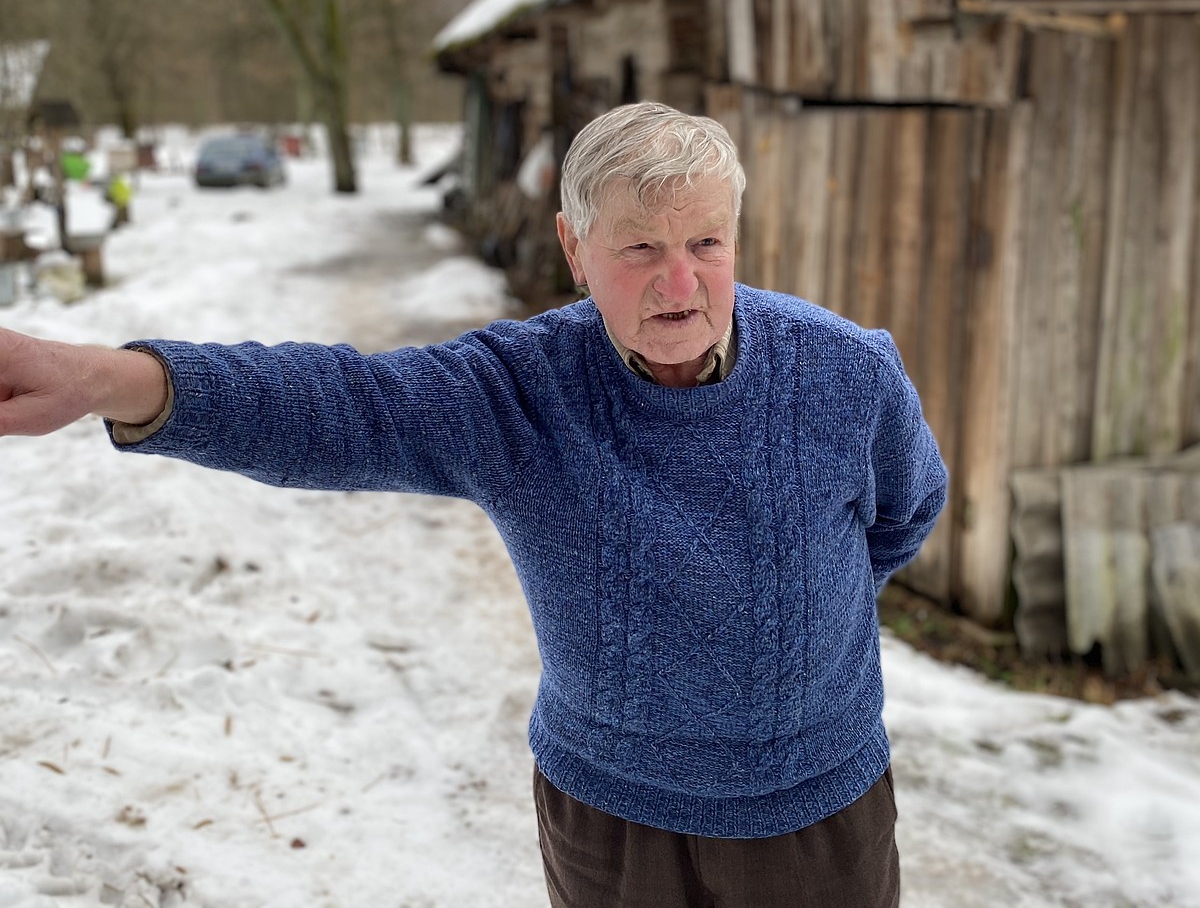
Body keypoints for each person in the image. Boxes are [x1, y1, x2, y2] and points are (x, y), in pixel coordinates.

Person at [0, 101, 947, 908]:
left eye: (706, 243)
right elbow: (337, 407)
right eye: (641, 248)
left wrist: (787, 622)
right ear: (576, 249)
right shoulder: (523, 392)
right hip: (612, 824)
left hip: (818, 817)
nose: (680, 282)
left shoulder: (846, 372)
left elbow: (905, 512)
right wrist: (102, 381)